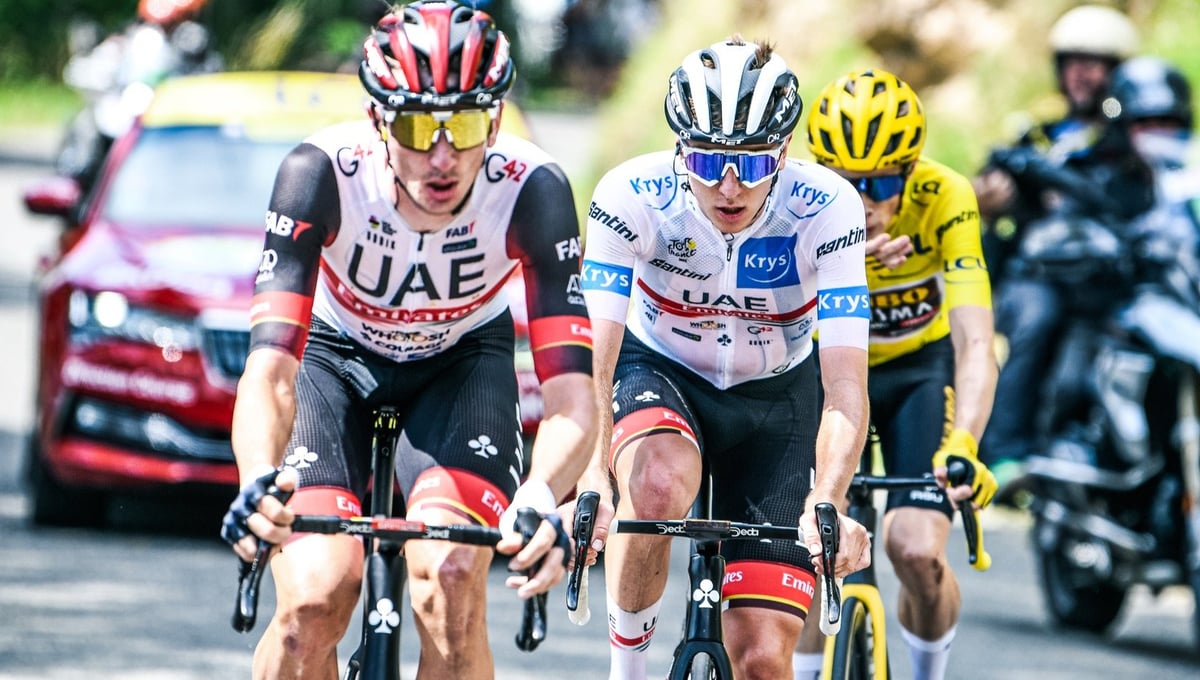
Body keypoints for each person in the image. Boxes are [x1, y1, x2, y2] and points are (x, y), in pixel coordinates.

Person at [218, 2, 598, 678]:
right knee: (313, 599)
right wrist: (256, 482)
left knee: (450, 581)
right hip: (335, 358)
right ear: (378, 119)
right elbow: (270, 371)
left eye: (467, 125)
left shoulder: (533, 190)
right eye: (418, 127)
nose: (442, 157)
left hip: (461, 363)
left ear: (497, 120)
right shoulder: (320, 174)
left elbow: (572, 393)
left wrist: (543, 493)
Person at [575, 36, 874, 680]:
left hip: (778, 396)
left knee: (762, 657)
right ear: (680, 150)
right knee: (656, 485)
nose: (729, 186)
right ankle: (626, 672)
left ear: (784, 152)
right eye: (709, 162)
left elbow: (846, 383)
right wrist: (593, 472)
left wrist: (828, 496)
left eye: (753, 163)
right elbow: (595, 352)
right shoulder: (630, 195)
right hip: (662, 371)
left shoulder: (828, 209)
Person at [794, 69, 999, 680]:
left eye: (881, 183)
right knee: (811, 550)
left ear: (910, 172)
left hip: (916, 371)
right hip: (827, 374)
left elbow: (975, 338)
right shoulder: (794, 199)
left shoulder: (945, 196)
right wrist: (838, 259)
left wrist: (966, 441)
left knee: (914, 550)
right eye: (844, 182)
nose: (863, 201)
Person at [971, 4, 1140, 490]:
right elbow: (984, 193)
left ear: (1117, 72)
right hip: (1035, 277)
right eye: (1073, 62)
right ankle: (1003, 454)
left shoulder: (1130, 140)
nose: (1082, 74)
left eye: (1095, 63)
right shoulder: (1038, 137)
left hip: (1107, 279)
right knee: (1037, 314)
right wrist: (993, 197)